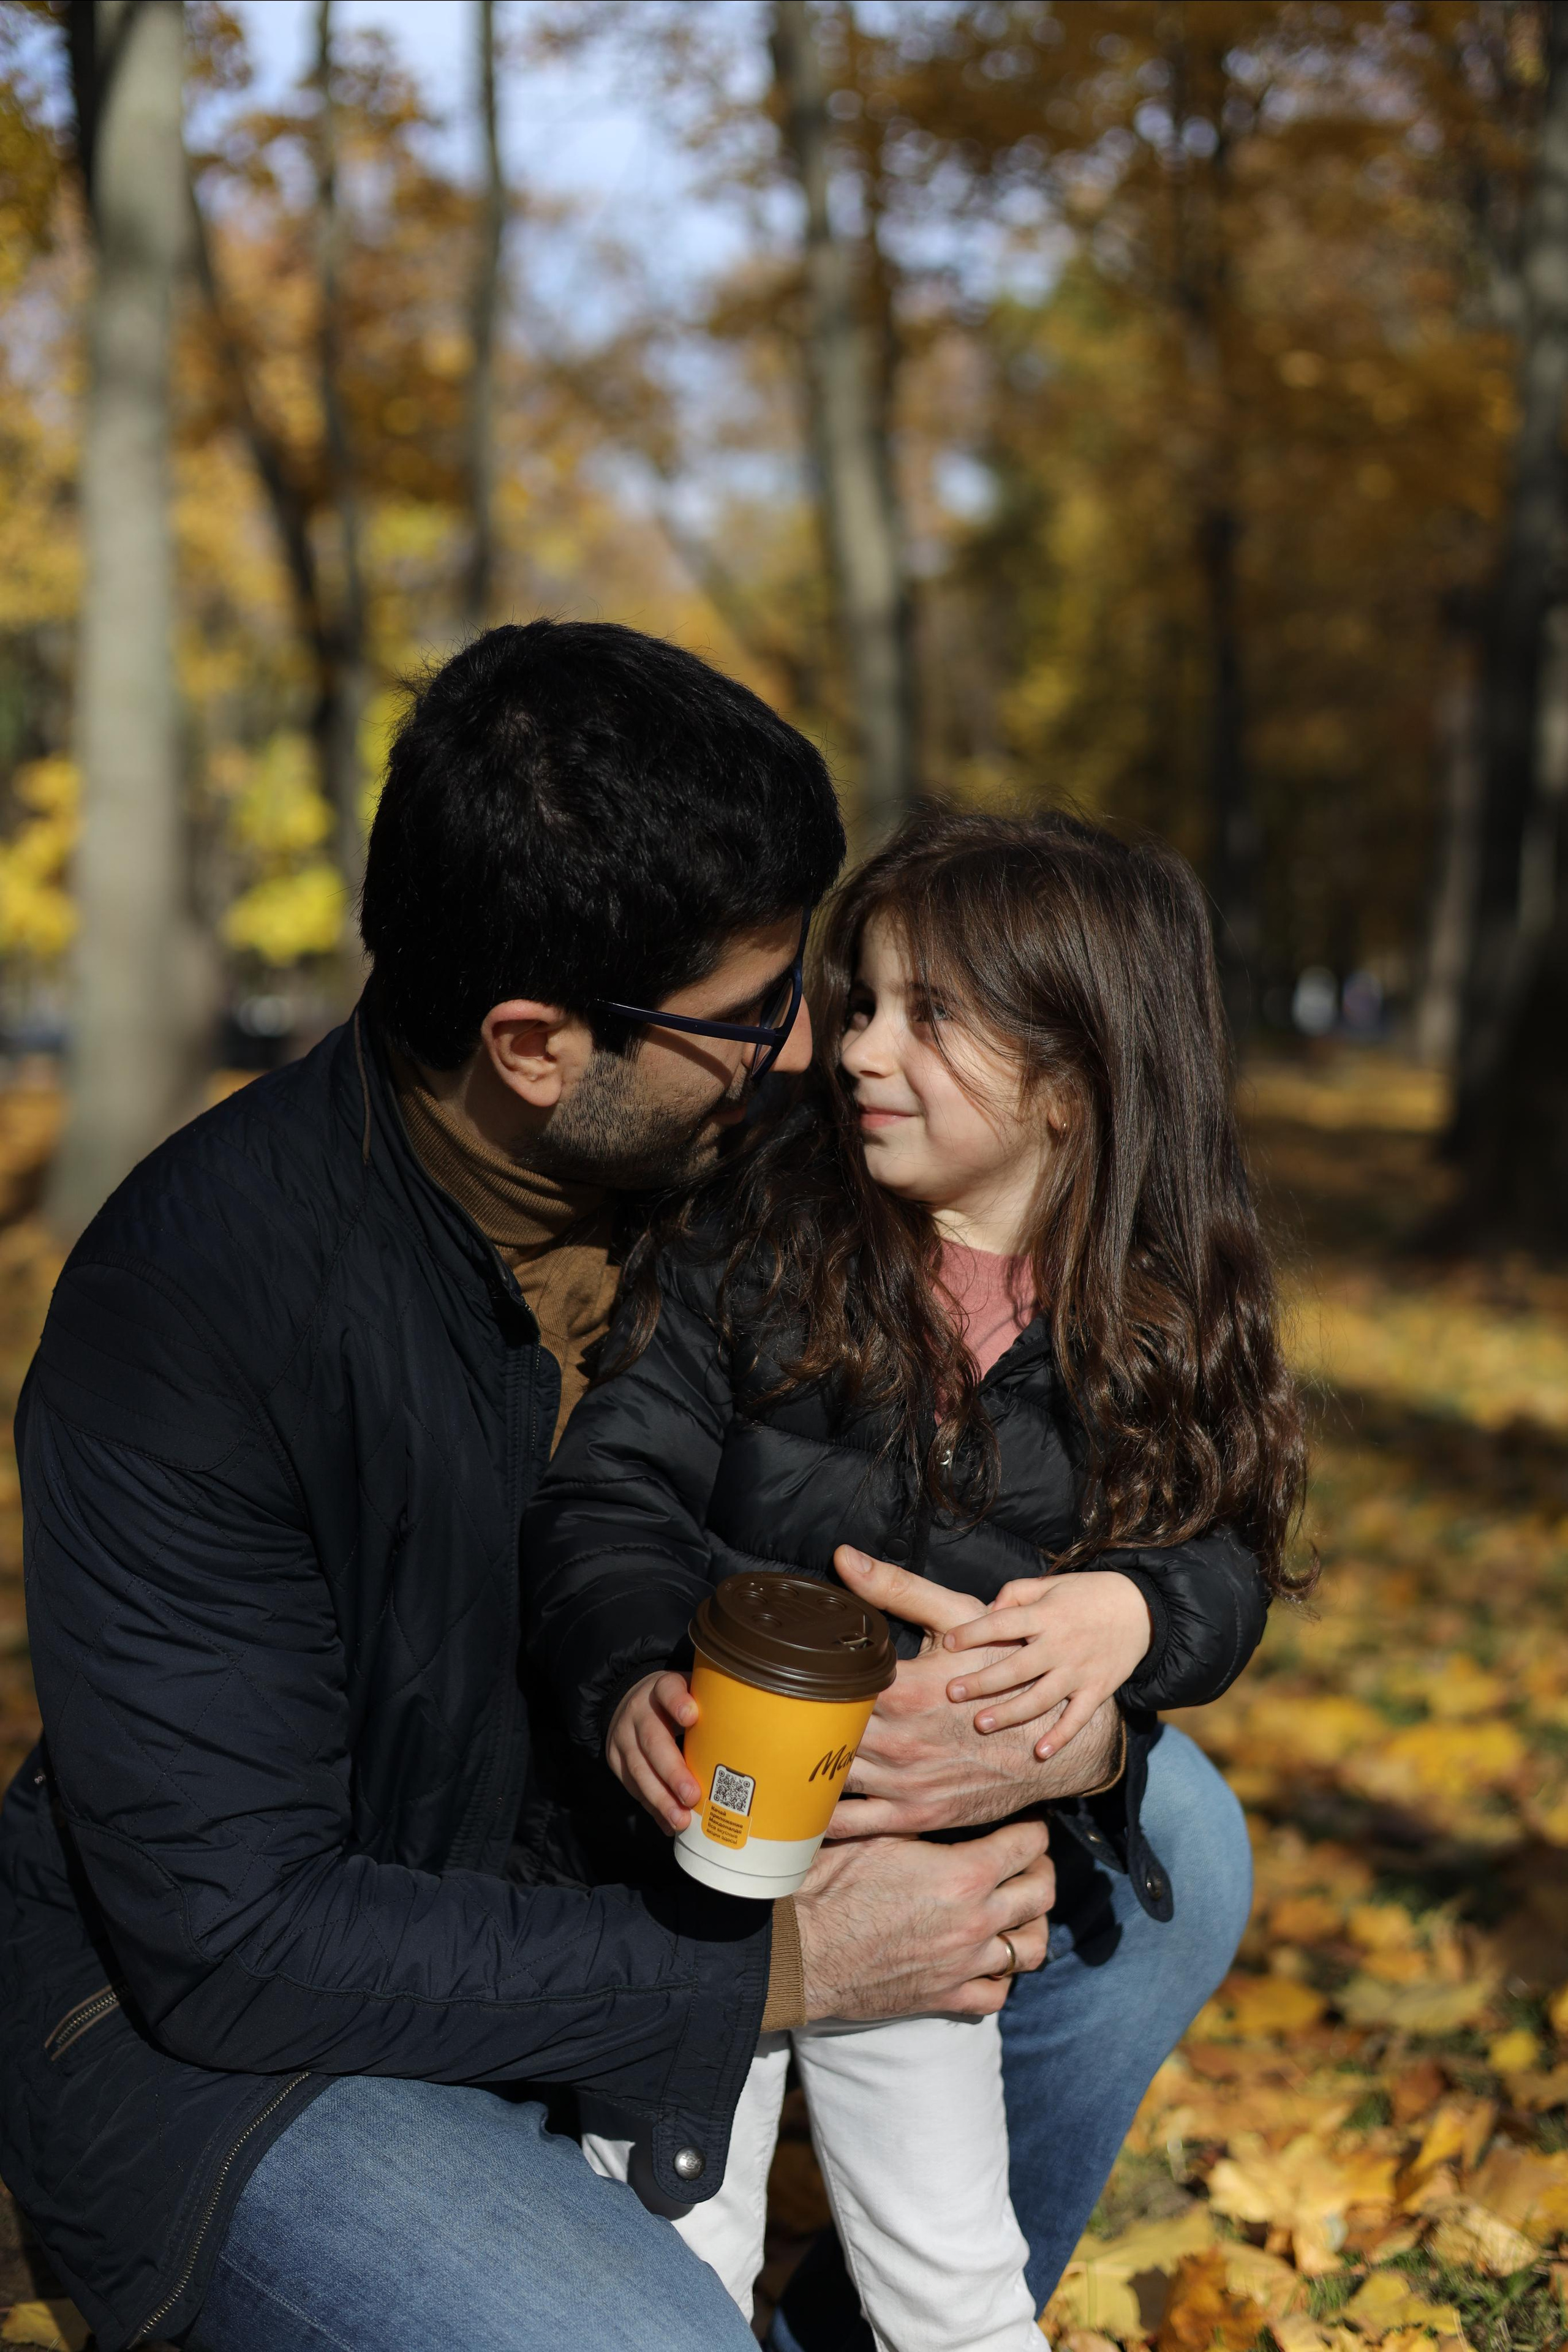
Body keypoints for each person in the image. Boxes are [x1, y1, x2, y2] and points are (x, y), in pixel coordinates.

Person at [0, 624, 1068, 2352]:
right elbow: (234, 1937)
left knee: (1172, 1845)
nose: (807, 1056)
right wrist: (782, 1969)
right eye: (751, 1019)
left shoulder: (762, 1177)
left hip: (684, 1869)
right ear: (535, 1043)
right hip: (273, 2051)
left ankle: (857, 2315)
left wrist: (1079, 1713)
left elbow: (1046, 1473)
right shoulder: (194, 1306)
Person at [527, 808, 1309, 2348]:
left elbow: (1223, 1547)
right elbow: (613, 1485)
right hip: (705, 1852)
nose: (854, 1050)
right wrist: (626, 1670)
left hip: (930, 1865)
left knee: (951, 2262)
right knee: (673, 2238)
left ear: (1072, 1081)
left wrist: (1136, 1611)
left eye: (923, 1017)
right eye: (859, 999)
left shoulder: (1150, 1316)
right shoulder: (763, 1233)